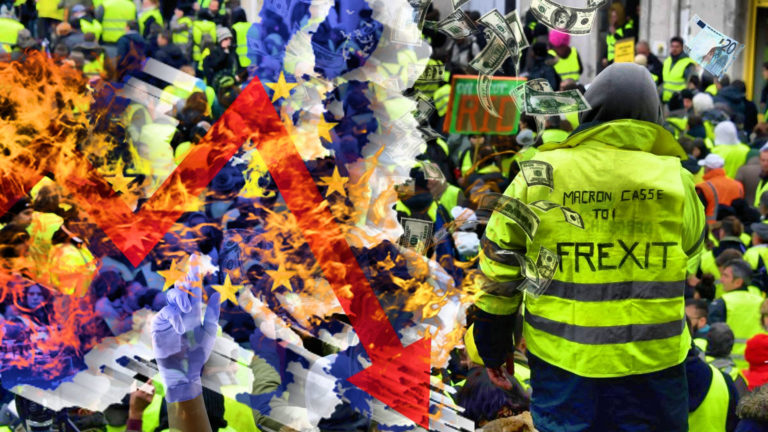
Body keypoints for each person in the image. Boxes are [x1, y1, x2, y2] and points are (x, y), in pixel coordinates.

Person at [471, 63, 705, 431]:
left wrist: (493, 342)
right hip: (652, 367)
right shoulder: (677, 179)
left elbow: (499, 261)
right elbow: (690, 255)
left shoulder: (540, 172)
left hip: (563, 366)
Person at [708, 259, 765, 370]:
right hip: (758, 368)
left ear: (738, 282)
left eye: (725, 276)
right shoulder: (762, 303)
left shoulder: (722, 303)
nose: (721, 280)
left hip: (729, 369)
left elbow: (711, 337)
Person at [695, 153, 744, 225]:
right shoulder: (738, 185)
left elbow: (697, 212)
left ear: (708, 169)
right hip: (733, 227)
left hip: (711, 227)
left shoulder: (703, 187)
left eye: (704, 167)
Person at [662, 36, 696, 104]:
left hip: (679, 101)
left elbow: (691, 85)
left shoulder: (688, 63)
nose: (674, 49)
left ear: (682, 47)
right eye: (672, 46)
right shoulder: (667, 61)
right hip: (665, 100)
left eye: (677, 47)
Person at [601, 1, 627, 67]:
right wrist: (604, 57)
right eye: (612, 16)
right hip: (610, 62)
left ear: (620, 16)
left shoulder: (625, 28)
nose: (613, 19)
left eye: (615, 16)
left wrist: (615, 34)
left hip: (621, 62)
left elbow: (626, 43)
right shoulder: (611, 29)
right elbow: (609, 46)